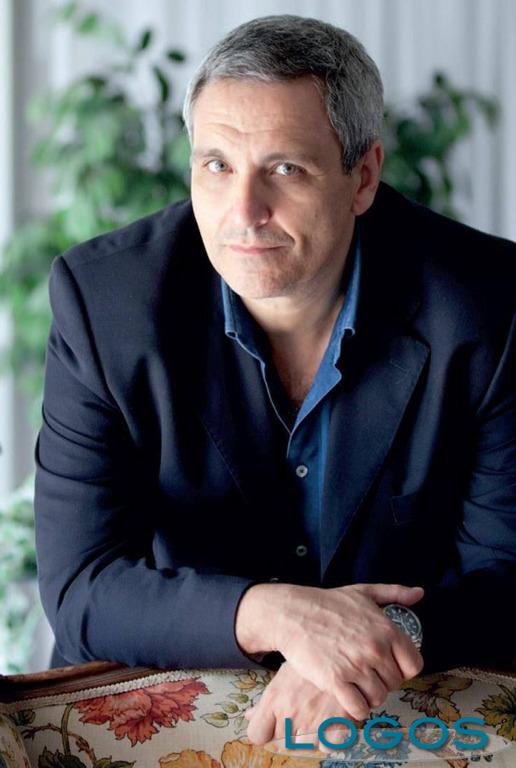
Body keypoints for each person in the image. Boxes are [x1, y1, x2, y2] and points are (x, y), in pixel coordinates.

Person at [34, 14, 516, 747]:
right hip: (167, 688)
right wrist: (280, 617)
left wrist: (382, 632)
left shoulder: (489, 304)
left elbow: (506, 573)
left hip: (405, 695)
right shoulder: (104, 301)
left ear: (363, 176)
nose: (244, 213)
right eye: (217, 165)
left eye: (285, 169)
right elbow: (81, 586)